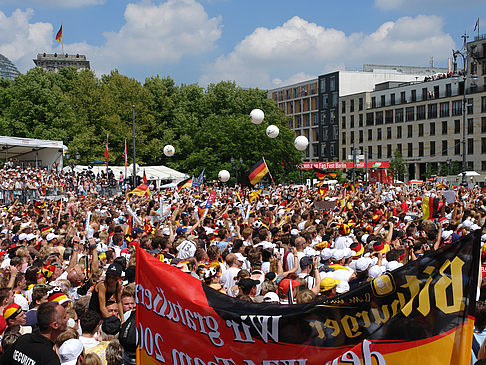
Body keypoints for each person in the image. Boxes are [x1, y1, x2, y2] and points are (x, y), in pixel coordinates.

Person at [1, 301, 68, 364]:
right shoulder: (49, 359)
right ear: (55, 325)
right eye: (64, 317)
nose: (68, 318)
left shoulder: (23, 339)